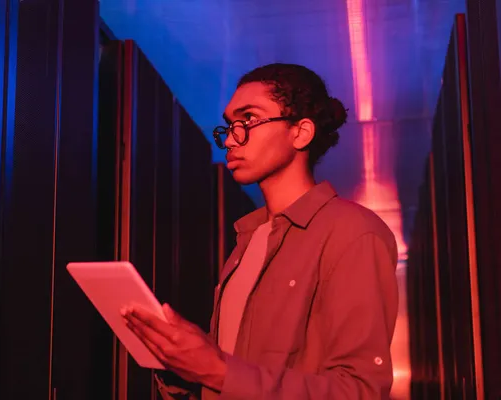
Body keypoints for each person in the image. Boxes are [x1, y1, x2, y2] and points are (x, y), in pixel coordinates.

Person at [122, 63, 399, 399]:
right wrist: (182, 364)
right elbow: (239, 375)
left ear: (300, 132)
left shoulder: (353, 232)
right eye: (229, 125)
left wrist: (218, 370)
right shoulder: (248, 241)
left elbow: (361, 391)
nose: (231, 139)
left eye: (249, 120)